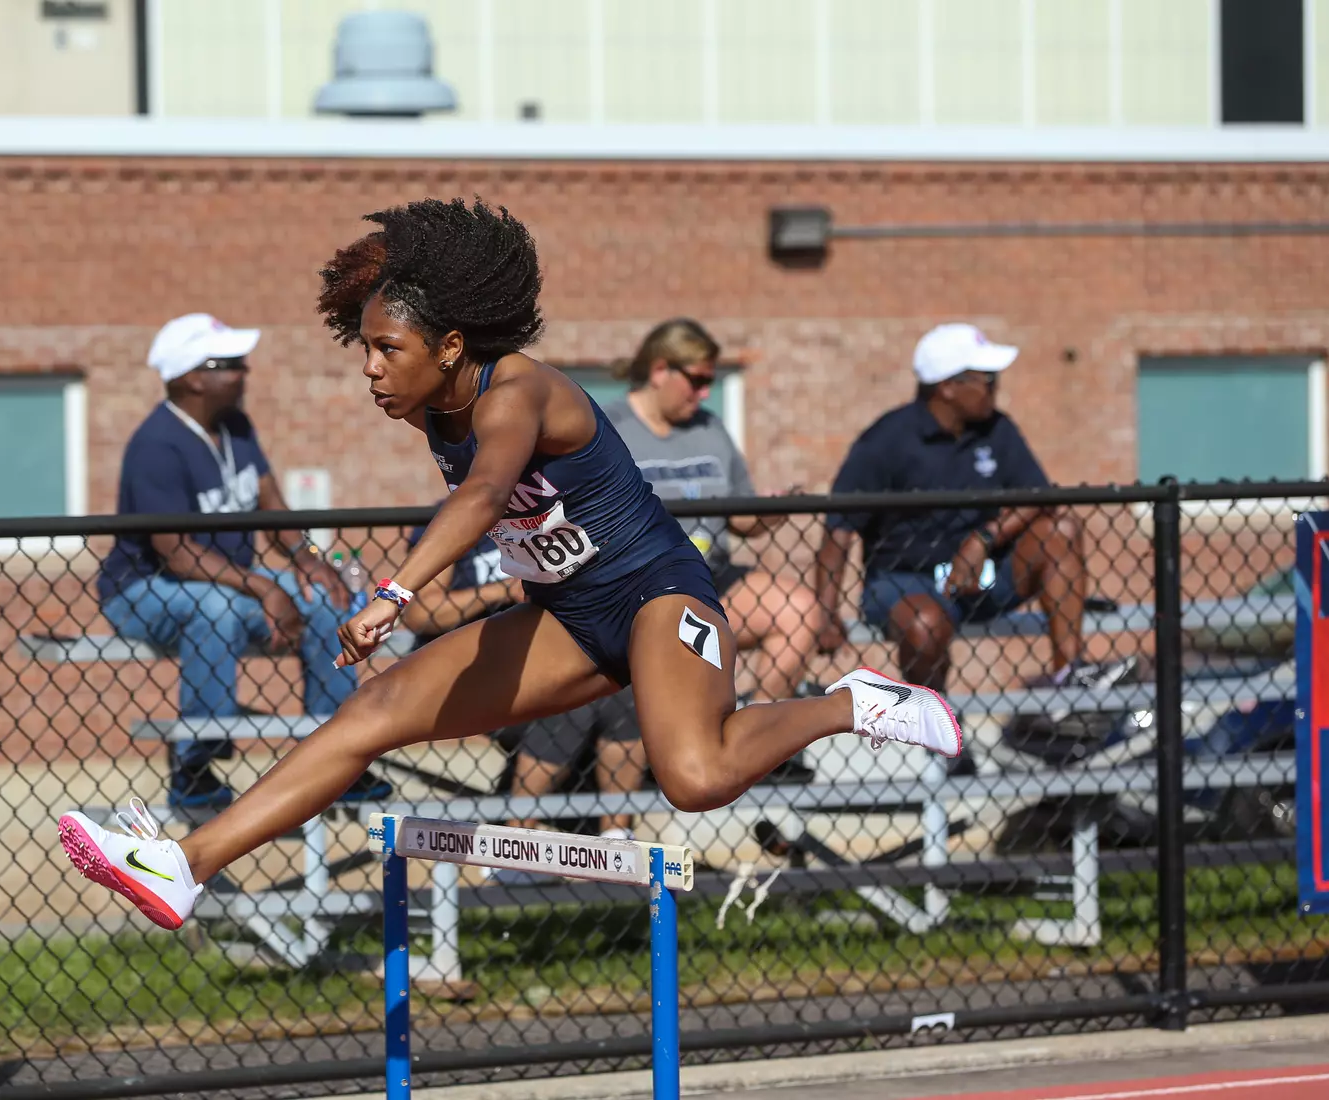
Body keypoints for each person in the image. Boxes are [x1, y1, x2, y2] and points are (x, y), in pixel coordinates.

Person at [60, 199, 961, 931]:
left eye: (388, 351)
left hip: (657, 594)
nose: (370, 371)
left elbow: (487, 496)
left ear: (450, 347)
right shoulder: (426, 406)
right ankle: (186, 865)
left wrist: (397, 591)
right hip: (568, 618)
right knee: (372, 712)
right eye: (365, 348)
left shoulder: (518, 390)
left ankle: (857, 704)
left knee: (694, 779)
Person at [95, 312, 375, 817]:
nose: (245, 372)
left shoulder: (237, 428)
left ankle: (338, 763)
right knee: (217, 607)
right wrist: (266, 589)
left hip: (225, 583)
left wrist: (311, 562)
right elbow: (175, 554)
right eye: (232, 364)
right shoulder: (155, 445)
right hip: (143, 589)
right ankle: (195, 770)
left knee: (327, 602)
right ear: (191, 378)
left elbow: (275, 512)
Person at [813, 322, 1134, 694]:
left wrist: (983, 538)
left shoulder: (997, 429)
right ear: (947, 387)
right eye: (987, 379)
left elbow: (1040, 496)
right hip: (903, 581)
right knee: (926, 625)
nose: (995, 388)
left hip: (983, 575)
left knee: (1061, 529)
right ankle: (935, 725)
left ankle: (1070, 677)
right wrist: (826, 612)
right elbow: (839, 529)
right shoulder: (886, 440)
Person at [604, 319, 823, 711]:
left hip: (712, 580)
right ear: (659, 370)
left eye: (712, 380)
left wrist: (770, 512)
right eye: (697, 380)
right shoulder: (609, 428)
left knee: (799, 610)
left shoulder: (710, 428)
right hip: (638, 592)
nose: (705, 392)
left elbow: (740, 520)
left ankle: (757, 731)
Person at [400, 518, 648, 846]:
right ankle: (515, 841)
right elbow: (420, 613)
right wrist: (500, 591)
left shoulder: (555, 515)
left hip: (545, 657)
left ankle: (617, 838)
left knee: (619, 690)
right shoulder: (454, 520)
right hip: (471, 673)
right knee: (566, 702)